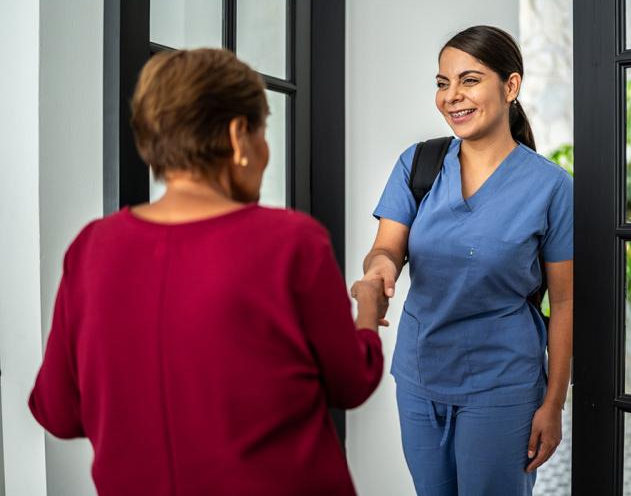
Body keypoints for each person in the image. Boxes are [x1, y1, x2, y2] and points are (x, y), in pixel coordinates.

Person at [29, 48, 385, 496]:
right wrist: (368, 311)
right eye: (262, 131)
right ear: (239, 136)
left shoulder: (91, 248)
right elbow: (350, 382)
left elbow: (58, 412)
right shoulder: (291, 242)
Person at [357, 25, 574, 495]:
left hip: (503, 386)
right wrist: (378, 273)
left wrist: (554, 403)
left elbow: (565, 304)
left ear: (510, 87)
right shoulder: (418, 165)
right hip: (420, 376)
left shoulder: (551, 187)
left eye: (469, 80)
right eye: (442, 83)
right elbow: (387, 248)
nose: (451, 96)